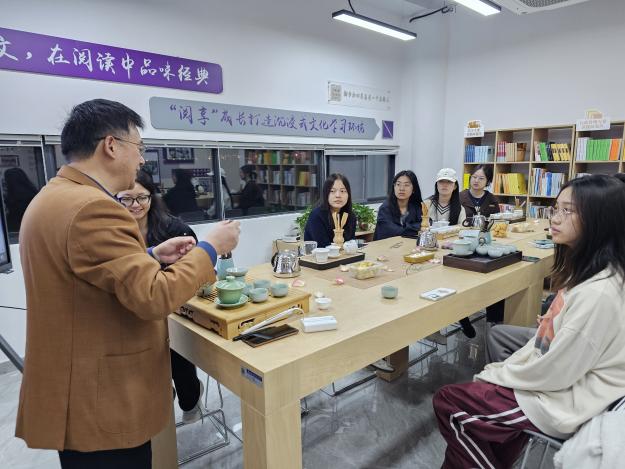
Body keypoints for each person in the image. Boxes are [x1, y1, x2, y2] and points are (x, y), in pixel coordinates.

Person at [15, 99, 240, 469]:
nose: (141, 160)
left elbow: (86, 274)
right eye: (139, 147)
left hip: (76, 390)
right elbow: (155, 297)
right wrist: (211, 247)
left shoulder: (53, 196)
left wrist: (150, 255)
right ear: (111, 145)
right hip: (102, 401)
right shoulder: (93, 208)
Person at [433, 174, 625, 469]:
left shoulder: (597, 293)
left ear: (599, 221)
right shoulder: (595, 272)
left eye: (567, 211)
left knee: (448, 401)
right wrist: (505, 371)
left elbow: (556, 372)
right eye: (556, 208)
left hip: (568, 401)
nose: (555, 218)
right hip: (571, 382)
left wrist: (500, 375)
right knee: (476, 418)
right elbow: (550, 349)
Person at [117, 169, 206, 424]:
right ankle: (162, 398)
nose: (135, 205)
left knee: (177, 354)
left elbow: (196, 267)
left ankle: (190, 396)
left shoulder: (174, 228)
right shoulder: (113, 233)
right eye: (126, 199)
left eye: (142, 197)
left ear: (152, 197)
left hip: (173, 308)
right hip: (133, 312)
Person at [304, 173, 357, 248]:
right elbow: (323, 246)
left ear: (348, 194)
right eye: (332, 191)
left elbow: (351, 243)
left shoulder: (350, 216)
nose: (338, 195)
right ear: (326, 194)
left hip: (343, 255)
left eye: (342, 191)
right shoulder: (316, 216)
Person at [373, 170, 423, 240]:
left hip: (408, 244)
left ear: (414, 189)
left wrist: (407, 228)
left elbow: (426, 223)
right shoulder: (385, 208)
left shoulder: (416, 206)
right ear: (394, 187)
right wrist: (413, 228)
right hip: (386, 245)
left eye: (406, 185)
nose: (401, 189)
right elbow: (393, 231)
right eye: (398, 184)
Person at [2, 167, 38, 232]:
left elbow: (13, 225)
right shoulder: (33, 195)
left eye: (6, 182)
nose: (4, 185)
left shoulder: (19, 202)